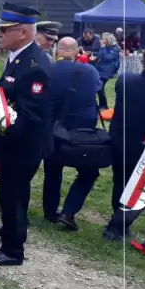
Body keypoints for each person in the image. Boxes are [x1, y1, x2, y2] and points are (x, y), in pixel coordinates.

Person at [0, 3, 52, 266]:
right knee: (10, 194)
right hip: (12, 143)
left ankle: (12, 250)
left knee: (13, 194)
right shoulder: (18, 57)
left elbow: (32, 116)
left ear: (23, 32)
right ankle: (12, 229)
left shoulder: (34, 65)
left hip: (23, 146)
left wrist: (1, 130)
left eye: (5, 30)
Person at [41, 38, 102, 230]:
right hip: (81, 135)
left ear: (57, 51)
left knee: (52, 172)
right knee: (89, 173)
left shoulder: (48, 70)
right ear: (77, 52)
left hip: (54, 131)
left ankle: (50, 213)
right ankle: (68, 212)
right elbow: (97, 89)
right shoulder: (90, 71)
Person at [102, 50, 145, 241]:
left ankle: (117, 224)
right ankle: (118, 225)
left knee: (120, 182)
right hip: (141, 146)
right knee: (138, 189)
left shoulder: (125, 79)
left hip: (119, 140)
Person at [94, 32, 120, 110]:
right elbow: (100, 55)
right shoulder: (105, 47)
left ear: (107, 40)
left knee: (100, 87)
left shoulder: (114, 48)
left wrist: (102, 48)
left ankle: (104, 105)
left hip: (107, 71)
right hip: (100, 69)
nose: (101, 40)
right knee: (98, 88)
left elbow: (107, 58)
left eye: (103, 39)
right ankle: (103, 105)